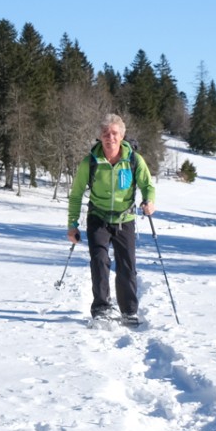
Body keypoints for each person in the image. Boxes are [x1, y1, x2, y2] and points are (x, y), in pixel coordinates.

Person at [67, 114, 156, 326]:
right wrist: (72, 225)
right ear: (100, 136)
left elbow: (147, 186)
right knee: (99, 260)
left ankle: (129, 311)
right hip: (98, 217)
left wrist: (149, 201)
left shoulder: (134, 160)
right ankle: (101, 309)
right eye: (106, 134)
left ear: (122, 135)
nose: (110, 138)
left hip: (125, 218)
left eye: (114, 133)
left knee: (126, 264)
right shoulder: (90, 162)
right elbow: (76, 194)